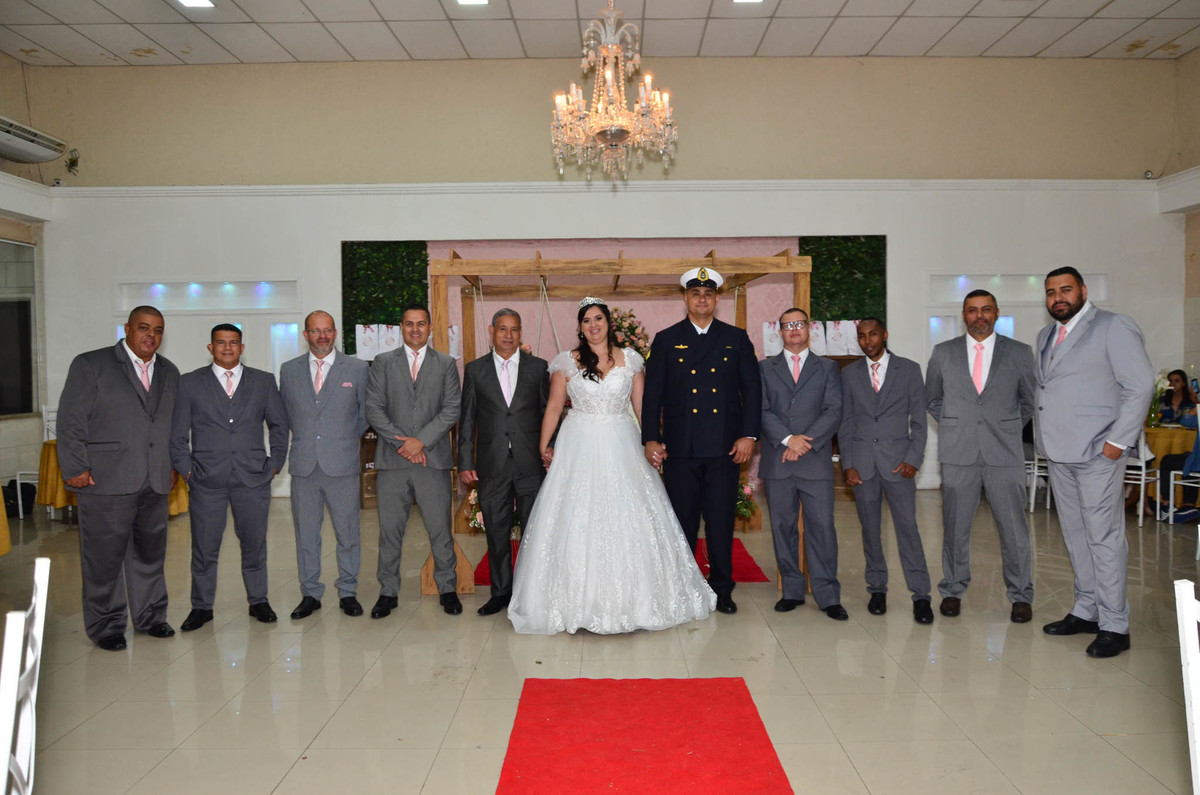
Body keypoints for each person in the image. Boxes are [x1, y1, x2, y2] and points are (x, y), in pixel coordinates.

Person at [508, 298, 715, 634]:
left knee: (629, 513)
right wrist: (544, 445)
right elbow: (554, 407)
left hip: (622, 440)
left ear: (608, 322)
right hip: (578, 443)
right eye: (587, 320)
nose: (593, 325)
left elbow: (643, 406)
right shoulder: (567, 362)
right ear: (580, 327)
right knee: (576, 514)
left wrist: (653, 440)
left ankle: (636, 601)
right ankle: (575, 601)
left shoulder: (631, 359)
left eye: (598, 319)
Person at [1037, 266, 1153, 658]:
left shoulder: (1113, 326)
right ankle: (1087, 609)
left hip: (1098, 452)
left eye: (1065, 289)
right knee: (1074, 534)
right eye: (1051, 292)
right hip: (1058, 452)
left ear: (1083, 291)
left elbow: (1139, 386)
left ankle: (1115, 624)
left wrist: (1117, 443)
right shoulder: (1046, 335)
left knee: (1104, 538)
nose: (1058, 298)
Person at [57, 306, 179, 651]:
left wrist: (171, 464)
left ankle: (151, 616)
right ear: (127, 329)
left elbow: (170, 425)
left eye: (157, 330)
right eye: (144, 328)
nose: (151, 336)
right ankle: (106, 625)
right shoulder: (91, 364)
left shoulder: (169, 371)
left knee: (150, 554)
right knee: (104, 557)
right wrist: (75, 467)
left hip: (154, 478)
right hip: (105, 478)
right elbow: (71, 420)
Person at [641, 267, 761, 615]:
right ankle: (683, 586)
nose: (702, 299)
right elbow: (653, 396)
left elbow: (752, 390)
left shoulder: (735, 338)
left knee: (721, 522)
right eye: (695, 293)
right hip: (681, 449)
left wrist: (749, 435)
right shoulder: (667, 339)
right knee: (683, 522)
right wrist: (651, 438)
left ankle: (722, 588)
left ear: (716, 299)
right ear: (686, 298)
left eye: (708, 294)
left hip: (725, 448)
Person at [925, 289, 1036, 622]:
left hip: (1004, 453)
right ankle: (952, 589)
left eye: (986, 309)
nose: (979, 316)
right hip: (958, 452)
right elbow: (932, 399)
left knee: (1014, 528)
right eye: (972, 310)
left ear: (997, 313)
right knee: (955, 526)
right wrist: (958, 423)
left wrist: (1005, 426)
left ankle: (1020, 594)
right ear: (964, 315)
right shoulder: (943, 352)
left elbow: (1029, 401)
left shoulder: (1019, 352)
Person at [170, 324, 289, 630]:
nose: (227, 348)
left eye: (233, 342)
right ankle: (201, 606)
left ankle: (258, 600)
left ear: (242, 347)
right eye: (220, 343)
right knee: (204, 547)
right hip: (206, 480)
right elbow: (177, 433)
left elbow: (279, 426)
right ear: (210, 347)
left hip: (253, 479)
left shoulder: (263, 381)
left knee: (254, 544)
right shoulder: (189, 382)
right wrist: (187, 470)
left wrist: (275, 464)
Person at [365, 304, 462, 618]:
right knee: (390, 532)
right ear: (401, 328)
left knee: (440, 529)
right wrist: (402, 443)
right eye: (409, 324)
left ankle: (447, 588)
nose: (415, 329)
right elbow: (374, 408)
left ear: (430, 328)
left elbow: (452, 408)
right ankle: (387, 592)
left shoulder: (445, 364)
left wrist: (421, 441)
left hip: (432, 462)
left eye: (421, 324)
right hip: (393, 462)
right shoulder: (383, 363)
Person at [839, 317, 934, 624]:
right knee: (870, 531)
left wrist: (913, 459)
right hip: (863, 466)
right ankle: (877, 589)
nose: (867, 341)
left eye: (873, 334)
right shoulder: (849, 374)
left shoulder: (909, 370)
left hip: (899, 464)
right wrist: (848, 464)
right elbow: (846, 422)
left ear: (885, 335)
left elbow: (919, 422)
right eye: (862, 336)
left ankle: (921, 595)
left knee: (908, 529)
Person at [279, 310, 370, 620]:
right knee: (306, 534)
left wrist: (343, 440)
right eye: (316, 331)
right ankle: (310, 593)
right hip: (304, 466)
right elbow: (285, 414)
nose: (322, 336)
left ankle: (348, 591)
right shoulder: (289, 370)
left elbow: (365, 414)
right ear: (306, 335)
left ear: (335, 333)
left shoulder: (357, 368)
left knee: (348, 533)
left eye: (328, 330)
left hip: (342, 464)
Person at [459, 309, 550, 617]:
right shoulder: (475, 370)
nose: (508, 335)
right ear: (492, 331)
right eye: (502, 329)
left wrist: (550, 448)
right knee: (496, 531)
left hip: (530, 463)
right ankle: (500, 592)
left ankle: (531, 591)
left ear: (521, 333)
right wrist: (465, 461)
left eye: (514, 329)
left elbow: (548, 412)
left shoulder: (538, 368)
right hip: (492, 463)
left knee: (533, 530)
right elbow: (467, 419)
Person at [760, 307, 847, 620]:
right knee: (782, 528)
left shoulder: (828, 368)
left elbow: (834, 410)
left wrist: (803, 442)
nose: (794, 329)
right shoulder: (764, 368)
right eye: (788, 325)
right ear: (780, 332)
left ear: (810, 329)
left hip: (814, 462)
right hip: (778, 461)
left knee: (822, 528)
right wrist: (787, 440)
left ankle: (828, 595)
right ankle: (792, 591)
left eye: (799, 324)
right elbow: (760, 409)